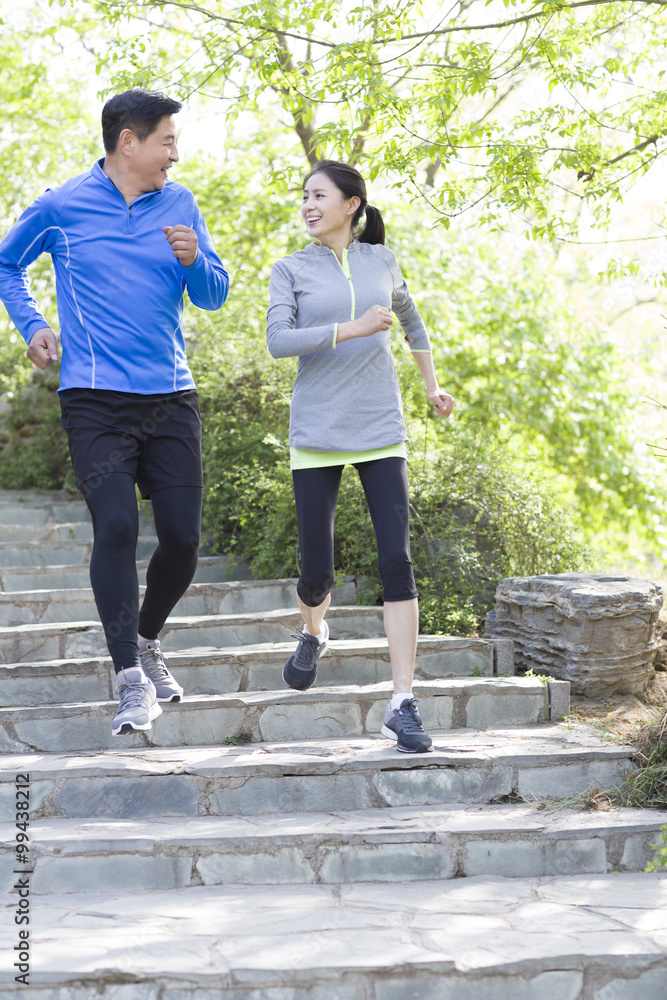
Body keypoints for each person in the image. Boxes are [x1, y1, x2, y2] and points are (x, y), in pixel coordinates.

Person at [0, 89, 229, 736]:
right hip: (94, 398)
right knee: (119, 527)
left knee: (183, 538)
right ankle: (129, 677)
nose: (175, 155)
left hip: (170, 395)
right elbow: (6, 263)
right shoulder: (61, 206)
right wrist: (33, 325)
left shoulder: (180, 204)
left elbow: (213, 294)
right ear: (127, 141)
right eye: (167, 141)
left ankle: (148, 639)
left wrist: (196, 261)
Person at [266, 159, 454, 754]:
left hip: (380, 427)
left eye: (319, 195)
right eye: (304, 196)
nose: (308, 204)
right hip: (316, 432)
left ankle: (402, 702)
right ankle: (314, 631)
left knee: (396, 561)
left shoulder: (381, 260)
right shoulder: (290, 269)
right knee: (316, 571)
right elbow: (277, 341)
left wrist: (430, 386)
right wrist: (349, 329)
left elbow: (412, 321)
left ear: (352, 204)